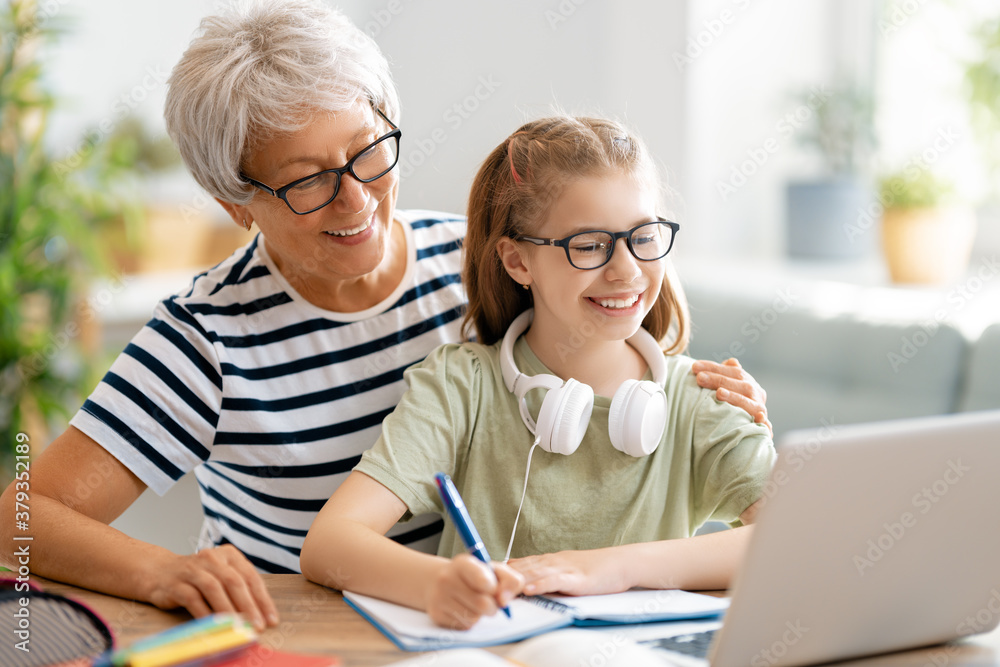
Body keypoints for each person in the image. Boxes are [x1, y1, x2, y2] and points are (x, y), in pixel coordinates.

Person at [0, 1, 768, 630]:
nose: (358, 200)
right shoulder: (205, 337)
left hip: (470, 627)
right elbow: (22, 518)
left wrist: (714, 401)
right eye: (308, 181)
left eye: (371, 152)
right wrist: (164, 568)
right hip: (302, 626)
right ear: (238, 204)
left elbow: (605, 340)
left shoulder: (477, 257)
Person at [299, 115, 777, 630]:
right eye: (590, 244)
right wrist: (434, 584)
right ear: (518, 262)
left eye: (644, 236)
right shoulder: (462, 387)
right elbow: (330, 543)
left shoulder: (706, 397)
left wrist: (613, 568)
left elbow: (801, 540)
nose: (626, 270)